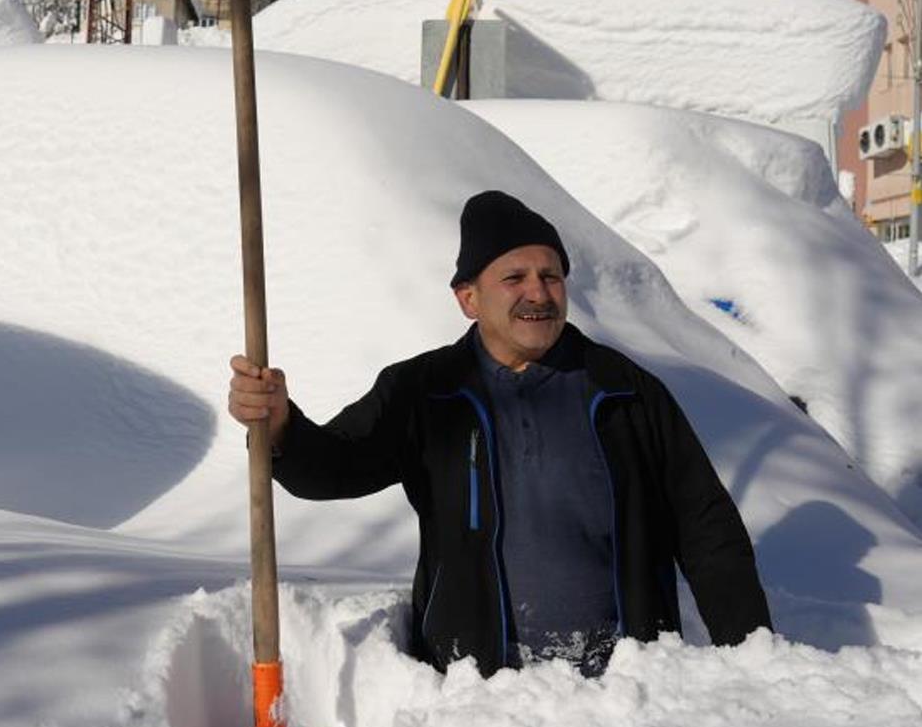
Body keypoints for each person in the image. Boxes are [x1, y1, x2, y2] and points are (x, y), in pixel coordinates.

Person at [227, 190, 771, 677]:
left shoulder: (624, 392)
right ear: (468, 298)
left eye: (551, 276)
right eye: (514, 278)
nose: (538, 293)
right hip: (477, 693)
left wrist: (753, 655)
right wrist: (281, 428)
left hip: (625, 689)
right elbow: (334, 468)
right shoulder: (427, 391)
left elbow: (706, 526)